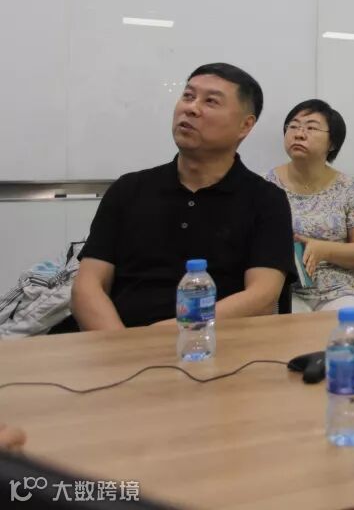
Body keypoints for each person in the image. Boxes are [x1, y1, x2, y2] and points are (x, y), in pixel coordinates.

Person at [70, 63, 294, 329]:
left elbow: (262, 297)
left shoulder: (266, 200)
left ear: (245, 125)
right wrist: (123, 343)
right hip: (118, 339)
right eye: (188, 96)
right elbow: (88, 286)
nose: (191, 108)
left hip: (217, 344)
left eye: (211, 101)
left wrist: (171, 334)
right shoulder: (129, 189)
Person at [266, 99, 354, 311]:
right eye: (293, 126)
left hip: (340, 290)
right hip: (285, 290)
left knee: (348, 320)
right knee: (289, 325)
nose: (299, 134)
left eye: (311, 128)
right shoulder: (266, 186)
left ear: (332, 143)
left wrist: (323, 250)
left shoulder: (348, 187)